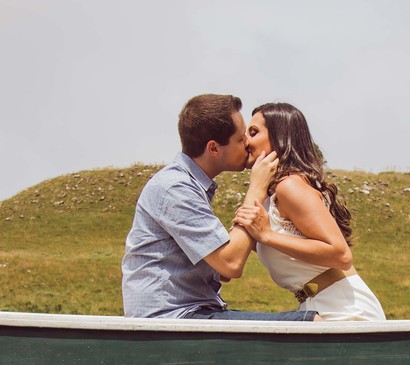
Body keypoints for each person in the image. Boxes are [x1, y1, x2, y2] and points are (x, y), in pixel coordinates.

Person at [121, 94, 318, 321]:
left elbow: (220, 270)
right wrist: (256, 189)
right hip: (172, 317)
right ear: (213, 148)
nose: (247, 143)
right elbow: (230, 265)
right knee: (310, 323)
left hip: (188, 312)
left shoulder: (187, 185)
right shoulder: (175, 188)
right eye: (240, 138)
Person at [233, 102, 386, 321]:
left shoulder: (290, 187)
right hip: (319, 304)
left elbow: (341, 255)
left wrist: (267, 236)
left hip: (344, 309)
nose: (245, 140)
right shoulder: (271, 196)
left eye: (254, 132)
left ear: (279, 138)